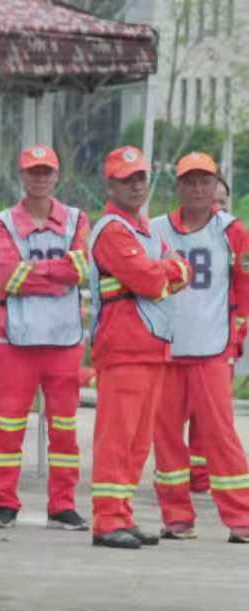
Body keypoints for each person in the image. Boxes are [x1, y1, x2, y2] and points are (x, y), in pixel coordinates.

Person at [86, 145, 192, 550]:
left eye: (140, 178)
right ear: (110, 184)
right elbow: (152, 281)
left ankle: (122, 514)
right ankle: (107, 520)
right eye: (126, 179)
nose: (135, 185)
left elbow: (179, 269)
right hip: (124, 349)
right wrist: (170, 271)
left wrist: (168, 270)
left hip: (150, 349)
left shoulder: (143, 230)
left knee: (137, 441)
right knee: (117, 438)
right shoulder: (112, 230)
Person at [0, 144, 91, 530]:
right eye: (33, 172)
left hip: (64, 342)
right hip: (17, 342)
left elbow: (81, 269)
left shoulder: (77, 219)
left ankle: (62, 504)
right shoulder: (4, 222)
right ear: (22, 176)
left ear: (57, 176)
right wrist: (57, 273)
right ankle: (5, 503)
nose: (40, 178)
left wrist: (35, 274)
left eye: (46, 171)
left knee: (64, 430)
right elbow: (7, 278)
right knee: (8, 427)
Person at [150, 152, 249, 542]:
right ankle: (177, 517)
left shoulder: (233, 230)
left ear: (215, 186)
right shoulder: (155, 230)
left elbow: (243, 286)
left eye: (204, 181)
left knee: (221, 436)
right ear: (177, 187)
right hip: (167, 351)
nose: (196, 188)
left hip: (212, 350)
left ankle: (241, 519)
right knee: (166, 436)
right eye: (189, 181)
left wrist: (235, 337)